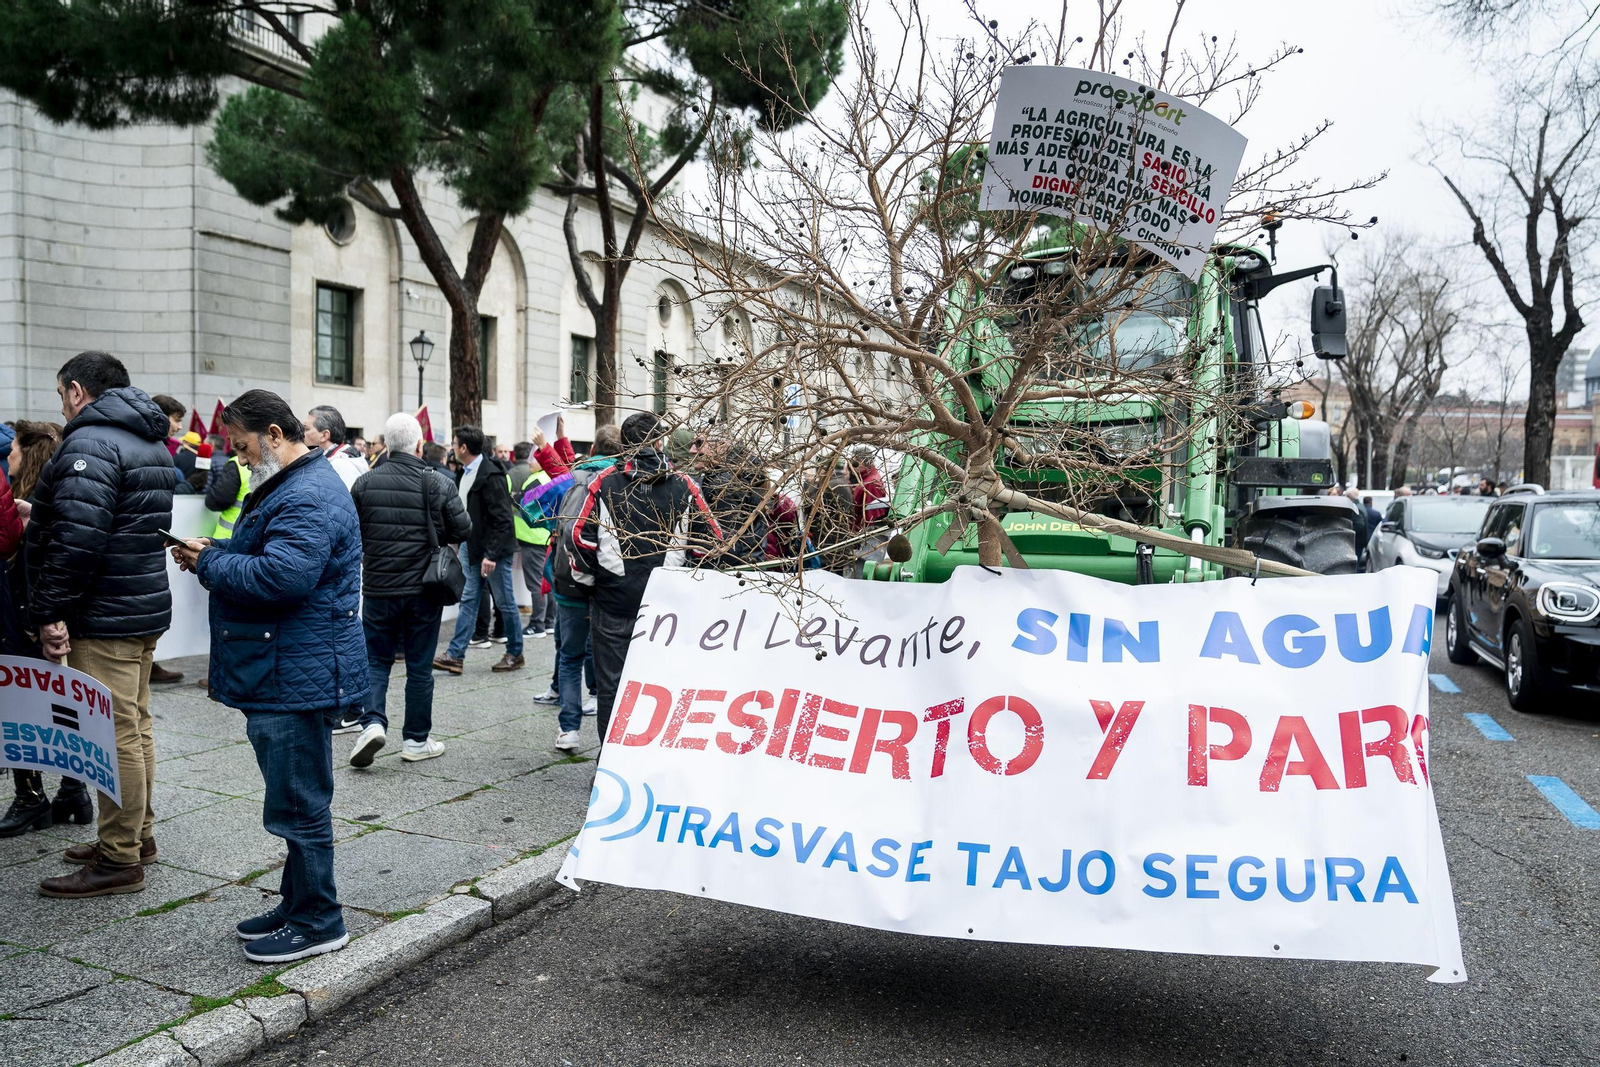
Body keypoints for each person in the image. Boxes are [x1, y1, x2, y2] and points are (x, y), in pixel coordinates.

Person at [171, 389, 364, 963]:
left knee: (299, 802)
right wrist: (219, 546)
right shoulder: (292, 484)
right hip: (285, 664)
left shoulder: (308, 493)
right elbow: (268, 550)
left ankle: (319, 920)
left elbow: (283, 577)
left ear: (275, 436)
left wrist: (208, 561)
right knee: (291, 797)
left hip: (295, 672)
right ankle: (296, 902)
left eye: (243, 445)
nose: (240, 456)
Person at [28, 352, 174, 898]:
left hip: (106, 611)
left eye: (59, 395)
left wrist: (49, 613)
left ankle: (119, 858)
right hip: (137, 606)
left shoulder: (90, 441)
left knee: (114, 735)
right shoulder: (148, 439)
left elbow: (75, 542)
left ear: (74, 391)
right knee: (134, 724)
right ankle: (137, 837)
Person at [571, 413, 721, 742]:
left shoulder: (605, 482)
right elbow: (711, 542)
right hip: (668, 609)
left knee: (611, 686)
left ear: (625, 446)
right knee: (663, 685)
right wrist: (691, 587)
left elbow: (580, 537)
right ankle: (650, 760)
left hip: (614, 604)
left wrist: (590, 584)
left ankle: (609, 762)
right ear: (659, 442)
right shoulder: (685, 484)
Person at [346, 412, 471, 767]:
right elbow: (463, 530)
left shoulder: (365, 483)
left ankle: (371, 722)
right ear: (419, 445)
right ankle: (416, 740)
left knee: (375, 660)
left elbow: (353, 533)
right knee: (419, 666)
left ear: (385, 444)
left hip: (379, 588)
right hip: (424, 589)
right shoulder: (439, 482)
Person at [0, 420, 95, 838]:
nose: (8, 459)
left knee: (24, 707)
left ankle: (31, 797)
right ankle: (73, 792)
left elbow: (34, 566)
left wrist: (39, 621)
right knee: (59, 707)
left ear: (28, 453)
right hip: (55, 616)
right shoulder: (53, 495)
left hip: (32, 617)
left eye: (12, 452)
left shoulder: (33, 499)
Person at [542, 425, 620, 750]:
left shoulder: (570, 479)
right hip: (608, 586)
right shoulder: (621, 482)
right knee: (609, 663)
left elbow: (543, 514)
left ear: (593, 450)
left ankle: (569, 729)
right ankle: (612, 735)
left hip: (569, 583)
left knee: (570, 656)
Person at [433, 425, 523, 674]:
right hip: (472, 548)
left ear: (463, 448)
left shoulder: (491, 474)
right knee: (469, 600)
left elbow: (502, 519)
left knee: (505, 603)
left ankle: (515, 653)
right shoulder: (466, 472)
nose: (451, 448)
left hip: (493, 553)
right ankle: (455, 655)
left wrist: (491, 555)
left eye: (454, 444)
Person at [690, 436, 768, 564]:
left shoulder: (723, 485)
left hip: (732, 573)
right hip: (743, 569)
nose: (692, 450)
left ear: (722, 445)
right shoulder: (728, 478)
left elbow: (727, 548)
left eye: (699, 443)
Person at [508, 440, 555, 638]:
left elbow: (520, 502)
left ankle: (537, 624)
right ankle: (549, 621)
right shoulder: (549, 476)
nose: (529, 462)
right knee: (548, 582)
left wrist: (514, 497)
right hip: (545, 536)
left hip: (532, 536)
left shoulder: (535, 479)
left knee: (536, 583)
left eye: (533, 458)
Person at [302, 406, 369, 491]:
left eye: (306, 429)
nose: (302, 434)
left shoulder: (341, 466)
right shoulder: (330, 461)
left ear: (324, 435)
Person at [206, 436, 251, 540]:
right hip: (252, 541)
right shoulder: (274, 466)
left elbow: (216, 501)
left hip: (227, 538)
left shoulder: (237, 464)